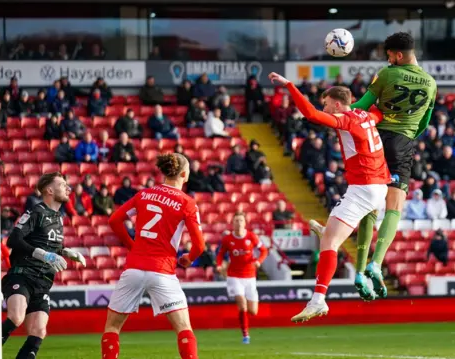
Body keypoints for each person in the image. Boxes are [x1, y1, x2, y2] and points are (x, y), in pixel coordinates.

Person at [269, 71, 389, 318]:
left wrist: (289, 85)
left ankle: (318, 299)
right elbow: (379, 110)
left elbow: (311, 114)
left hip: (363, 187)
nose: (325, 107)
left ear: (336, 104)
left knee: (330, 244)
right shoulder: (367, 116)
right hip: (379, 187)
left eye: (326, 103)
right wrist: (378, 86)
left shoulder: (347, 119)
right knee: (333, 230)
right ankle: (330, 230)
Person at [348, 32, 437, 299]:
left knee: (368, 205)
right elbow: (424, 124)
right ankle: (377, 263)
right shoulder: (431, 84)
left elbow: (361, 107)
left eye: (389, 55)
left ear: (398, 55)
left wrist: (339, 114)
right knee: (394, 207)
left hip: (374, 141)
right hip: (402, 143)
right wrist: (406, 137)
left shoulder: (387, 75)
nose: (388, 60)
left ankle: (360, 270)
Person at [102, 153, 205, 359]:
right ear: (184, 174)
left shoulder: (144, 194)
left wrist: (132, 246)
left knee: (112, 327)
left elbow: (114, 220)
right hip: (162, 271)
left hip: (134, 268)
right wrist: (188, 258)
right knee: (184, 328)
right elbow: (200, 246)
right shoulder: (187, 203)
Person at [0, 172, 86, 359]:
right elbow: (13, 240)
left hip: (43, 282)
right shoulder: (36, 211)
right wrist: (42, 254)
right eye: (62, 184)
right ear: (49, 190)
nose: (67, 188)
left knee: (39, 331)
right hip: (22, 275)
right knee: (16, 317)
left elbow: (48, 244)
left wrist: (64, 251)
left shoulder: (58, 218)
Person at [216, 212, 269, 344]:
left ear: (245, 223)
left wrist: (259, 261)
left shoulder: (251, 236)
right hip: (234, 276)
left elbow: (264, 250)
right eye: (236, 220)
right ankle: (246, 335)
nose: (238, 223)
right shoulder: (227, 239)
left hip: (250, 276)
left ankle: (246, 316)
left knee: (253, 311)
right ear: (232, 223)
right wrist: (218, 265)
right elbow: (220, 254)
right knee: (241, 303)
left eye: (240, 220)